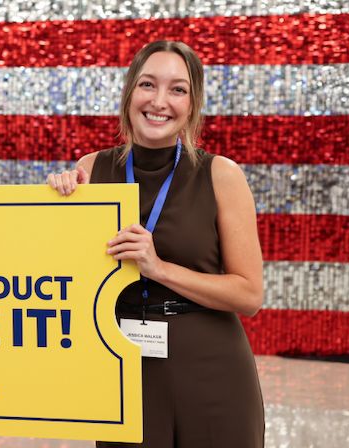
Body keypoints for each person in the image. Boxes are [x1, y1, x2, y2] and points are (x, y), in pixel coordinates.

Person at [47, 40, 265, 447]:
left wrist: (160, 268)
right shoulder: (91, 169)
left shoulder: (221, 175)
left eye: (178, 89)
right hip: (124, 369)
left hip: (211, 369)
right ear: (130, 92)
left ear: (193, 102)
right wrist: (55, 206)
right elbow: (62, 280)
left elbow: (250, 294)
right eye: (148, 84)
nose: (160, 101)